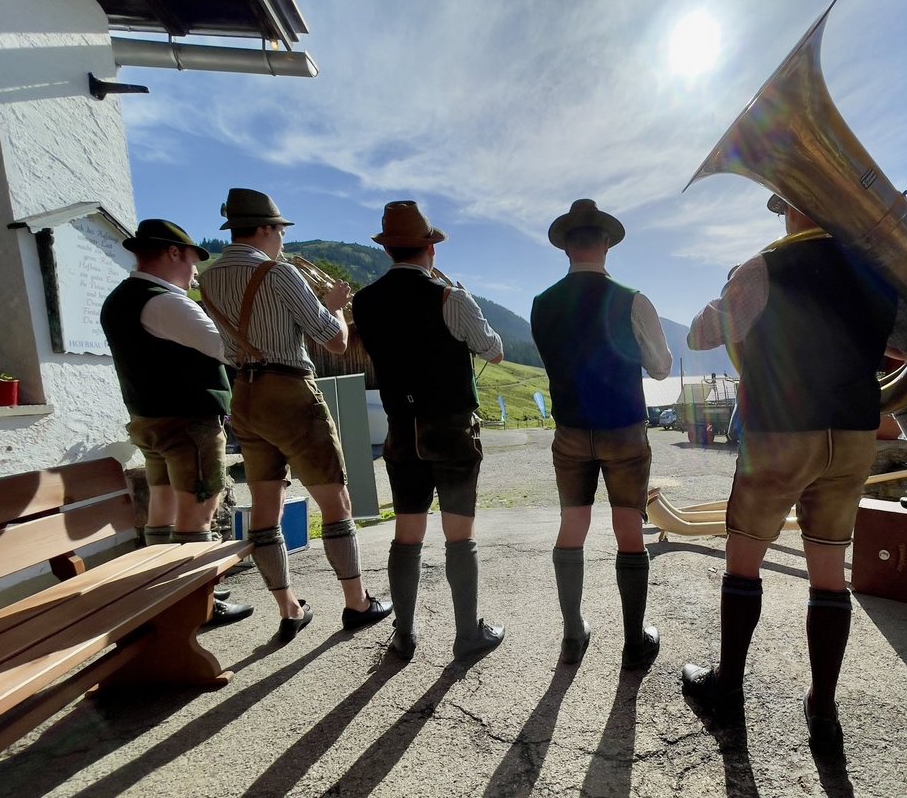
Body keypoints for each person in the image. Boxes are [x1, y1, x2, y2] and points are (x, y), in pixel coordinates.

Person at [681, 195, 898, 752]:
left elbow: (702, 335)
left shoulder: (765, 266)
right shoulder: (880, 267)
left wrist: (727, 286)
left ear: (789, 211)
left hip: (781, 427)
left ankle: (728, 685)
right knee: (829, 566)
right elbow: (899, 344)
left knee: (744, 556)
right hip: (851, 432)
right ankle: (823, 710)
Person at [199, 188, 391, 643]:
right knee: (335, 502)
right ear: (264, 229)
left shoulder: (207, 279)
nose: (283, 238)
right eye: (280, 230)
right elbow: (335, 341)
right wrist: (337, 307)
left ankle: (289, 609)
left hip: (242, 394)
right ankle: (357, 602)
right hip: (288, 390)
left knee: (265, 507)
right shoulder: (278, 272)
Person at [352, 201, 506, 662]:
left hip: (402, 427)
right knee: (460, 534)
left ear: (388, 250)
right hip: (452, 427)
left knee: (407, 532)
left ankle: (404, 633)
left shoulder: (364, 301)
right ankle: (466, 635)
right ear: (430, 249)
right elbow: (492, 350)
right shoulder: (449, 296)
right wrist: (464, 301)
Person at [530, 199, 672, 670]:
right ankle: (634, 641)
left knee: (573, 527)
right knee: (628, 530)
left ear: (566, 248)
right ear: (607, 243)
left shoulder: (541, 304)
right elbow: (659, 368)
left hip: (571, 431)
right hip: (624, 431)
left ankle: (573, 636)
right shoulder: (633, 299)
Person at [100, 219, 253, 628]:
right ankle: (197, 602)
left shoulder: (119, 299)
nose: (195, 271)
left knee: (163, 511)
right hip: (188, 423)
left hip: (150, 421)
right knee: (197, 513)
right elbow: (230, 349)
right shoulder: (167, 301)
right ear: (172, 253)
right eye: (192, 260)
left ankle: (164, 589)